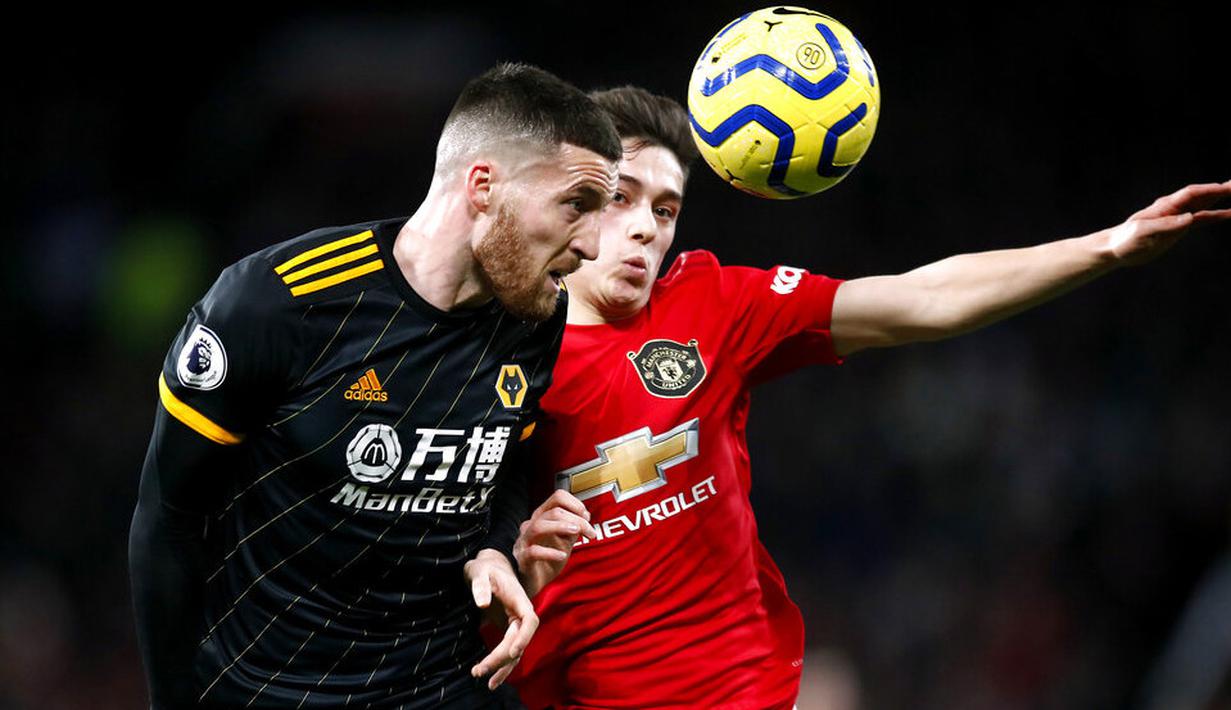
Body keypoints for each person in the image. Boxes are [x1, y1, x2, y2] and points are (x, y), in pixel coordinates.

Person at [507, 86, 1231, 709]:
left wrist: (1107, 246)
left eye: (665, 209)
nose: (645, 226)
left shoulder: (712, 304)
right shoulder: (493, 362)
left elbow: (920, 299)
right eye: (622, 197)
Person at [127, 62, 622, 709]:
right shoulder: (278, 303)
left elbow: (506, 465)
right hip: (274, 691)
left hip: (447, 686)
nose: (593, 245)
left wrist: (497, 550)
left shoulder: (535, 316)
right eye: (576, 205)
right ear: (483, 186)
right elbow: (168, 519)